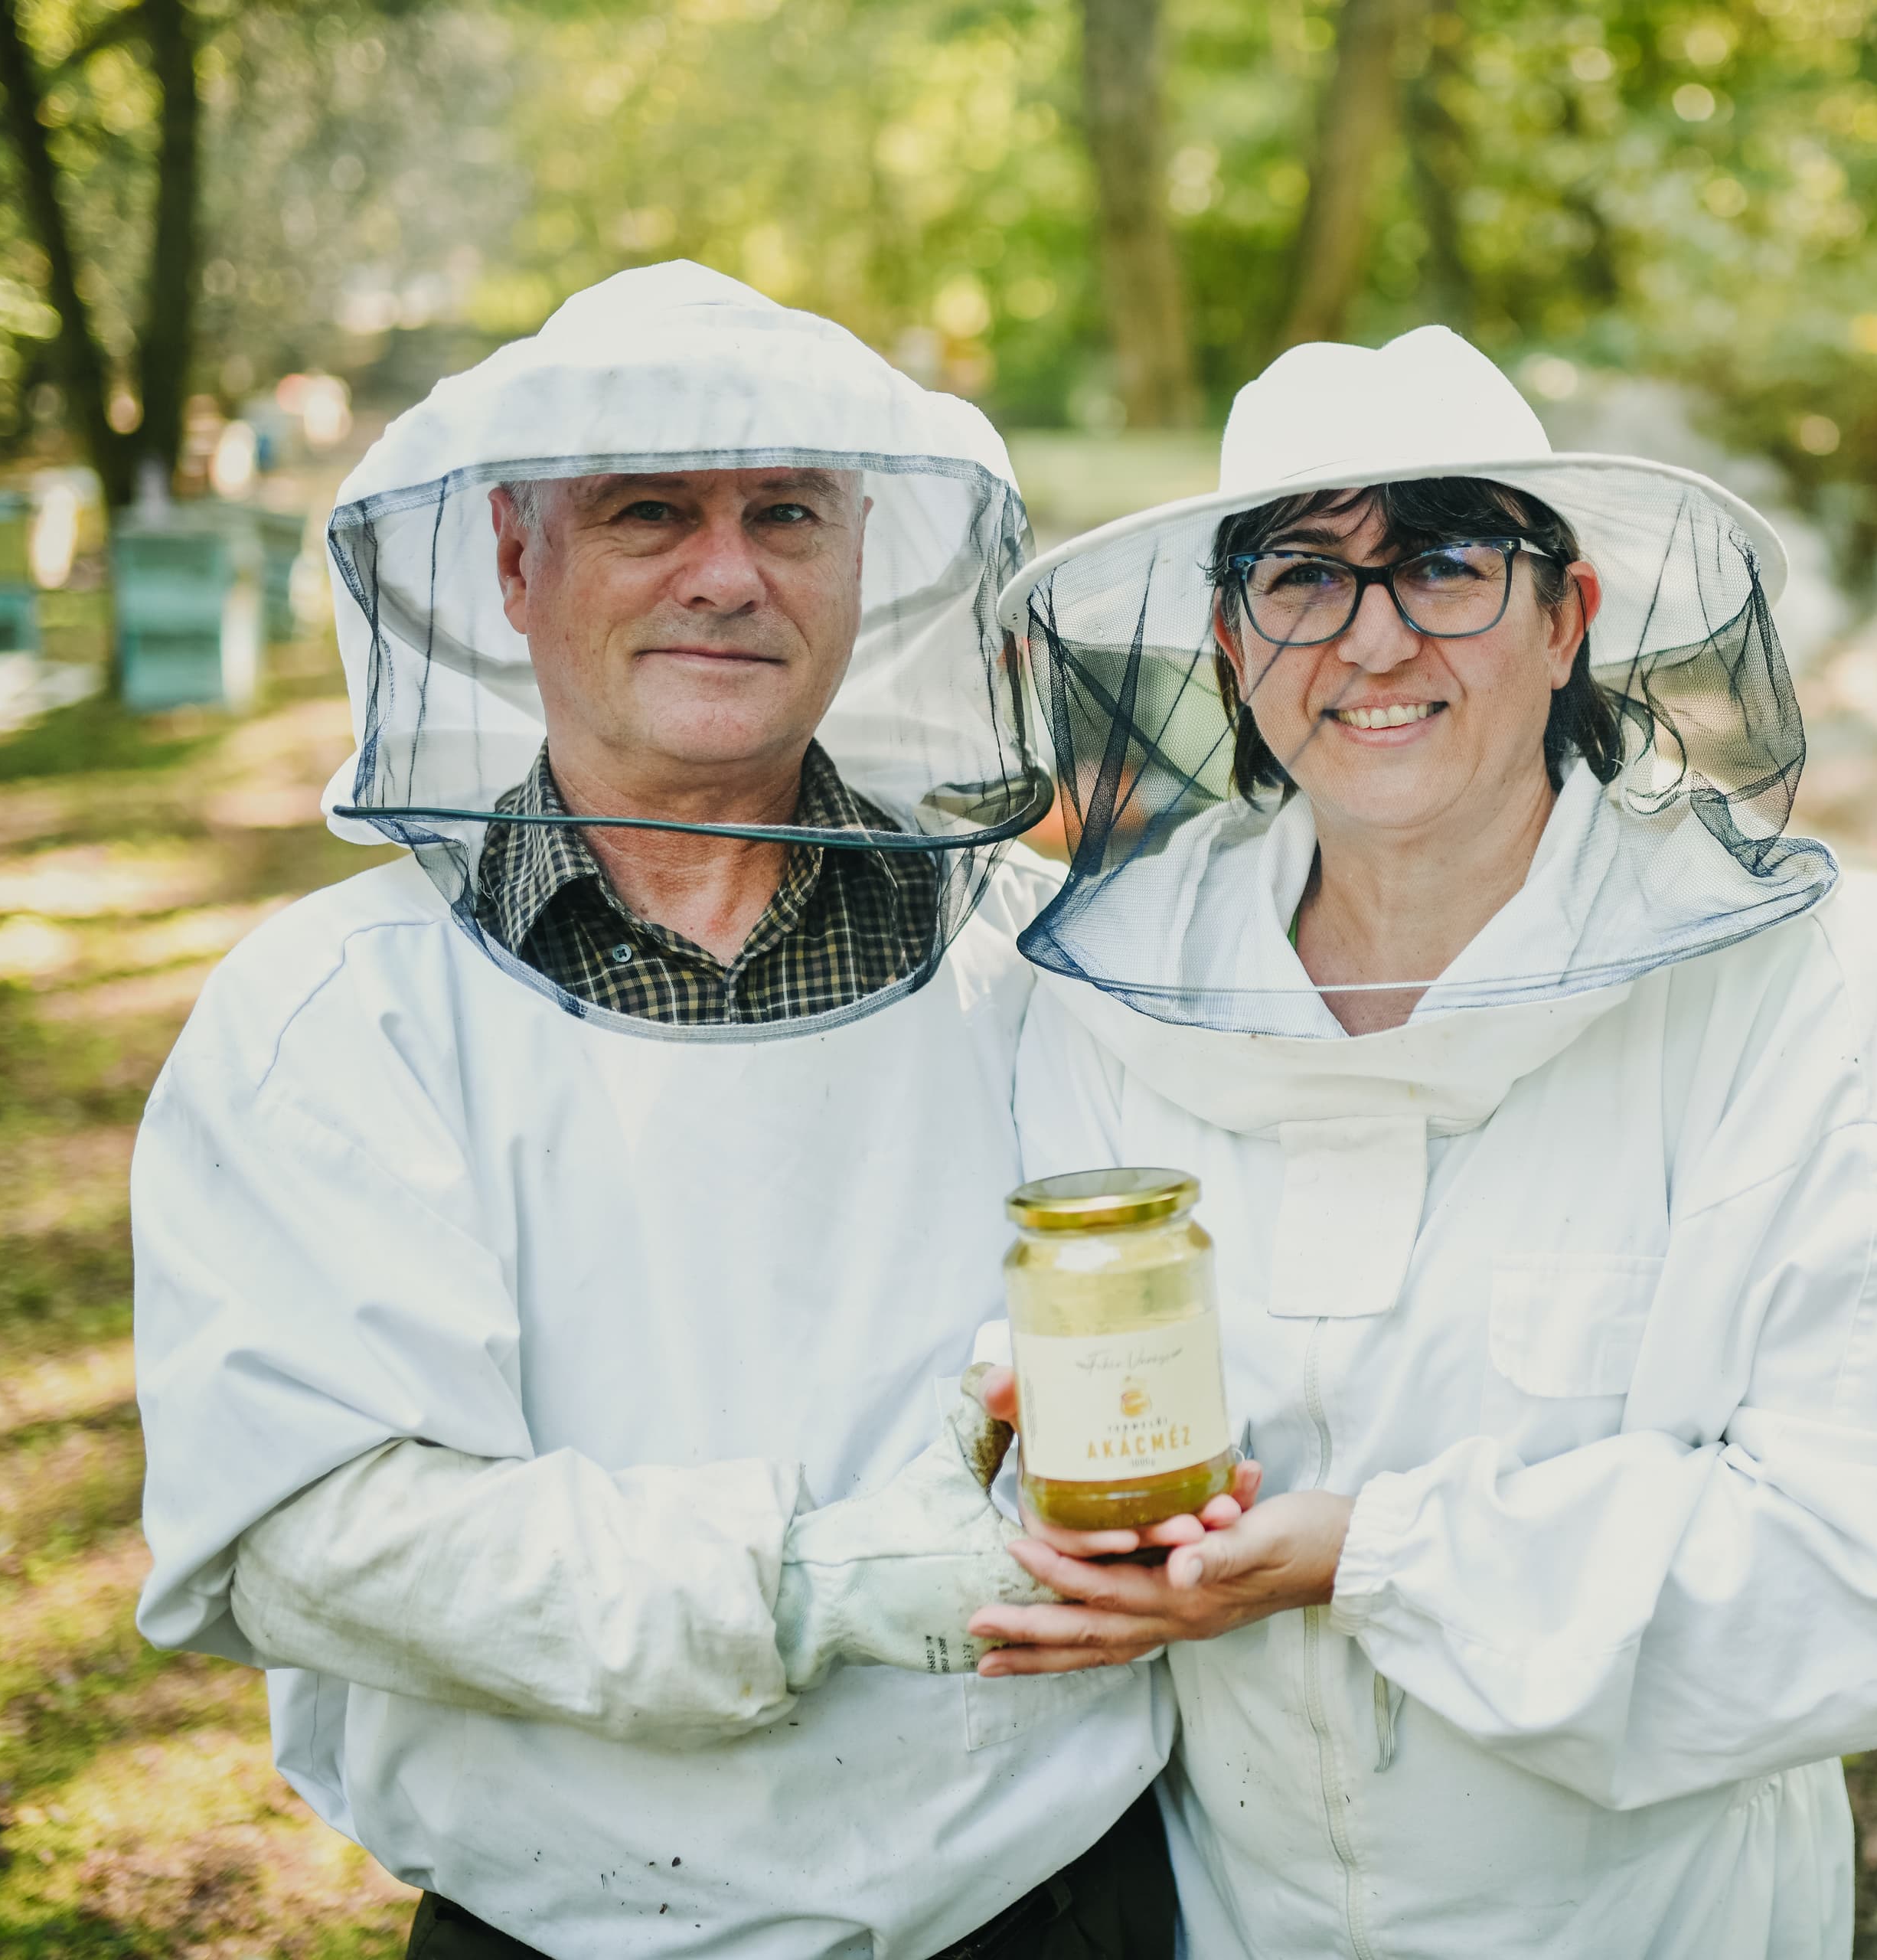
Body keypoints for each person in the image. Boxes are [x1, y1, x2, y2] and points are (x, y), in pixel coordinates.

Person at [131, 263, 1198, 1959]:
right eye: (649, 511)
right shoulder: (335, 1014)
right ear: (513, 558)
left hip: (1054, 1900)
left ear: (865, 553)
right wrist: (805, 1581)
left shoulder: (1049, 966)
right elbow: (306, 1536)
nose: (727, 573)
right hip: (566, 1924)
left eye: (787, 512)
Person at [971, 325, 1877, 1958]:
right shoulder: (1120, 989)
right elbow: (1048, 1380)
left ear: (1567, 618)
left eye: (1447, 564)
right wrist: (1036, 1450)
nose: (1374, 637)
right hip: (1236, 1914)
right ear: (1232, 643)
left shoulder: (1793, 1003)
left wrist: (1372, 1557)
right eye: (1302, 576)